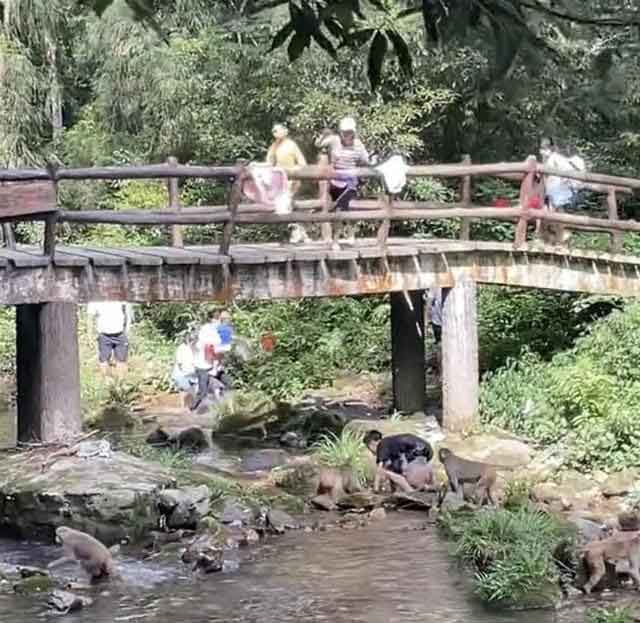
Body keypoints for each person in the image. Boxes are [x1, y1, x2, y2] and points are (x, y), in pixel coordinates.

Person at [315, 117, 369, 246]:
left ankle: (335, 240)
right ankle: (350, 235)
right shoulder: (334, 140)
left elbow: (366, 159)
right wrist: (324, 135)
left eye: (349, 132)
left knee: (341, 208)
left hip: (350, 180)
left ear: (354, 132)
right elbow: (318, 144)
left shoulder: (358, 144)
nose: (347, 135)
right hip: (335, 181)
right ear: (340, 132)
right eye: (344, 132)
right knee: (342, 209)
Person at [267, 123, 310, 244]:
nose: (275, 132)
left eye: (277, 130)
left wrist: (293, 171)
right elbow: (269, 162)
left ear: (284, 131)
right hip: (278, 181)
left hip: (292, 180)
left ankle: (296, 233)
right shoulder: (274, 146)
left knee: (286, 205)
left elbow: (302, 163)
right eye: (273, 131)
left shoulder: (291, 145)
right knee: (282, 208)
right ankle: (299, 233)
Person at [87, 301, 133, 375]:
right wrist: (89, 336)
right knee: (103, 361)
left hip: (120, 334)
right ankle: (105, 383)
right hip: (104, 336)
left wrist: (127, 331)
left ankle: (120, 384)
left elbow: (128, 314)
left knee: (121, 361)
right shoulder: (95, 300)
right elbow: (90, 318)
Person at [191, 311, 222, 412]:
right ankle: (193, 408)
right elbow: (210, 349)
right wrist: (214, 366)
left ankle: (221, 407)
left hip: (209, 364)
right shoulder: (207, 330)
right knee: (203, 391)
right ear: (214, 320)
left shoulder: (212, 330)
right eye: (220, 320)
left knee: (226, 383)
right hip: (202, 365)